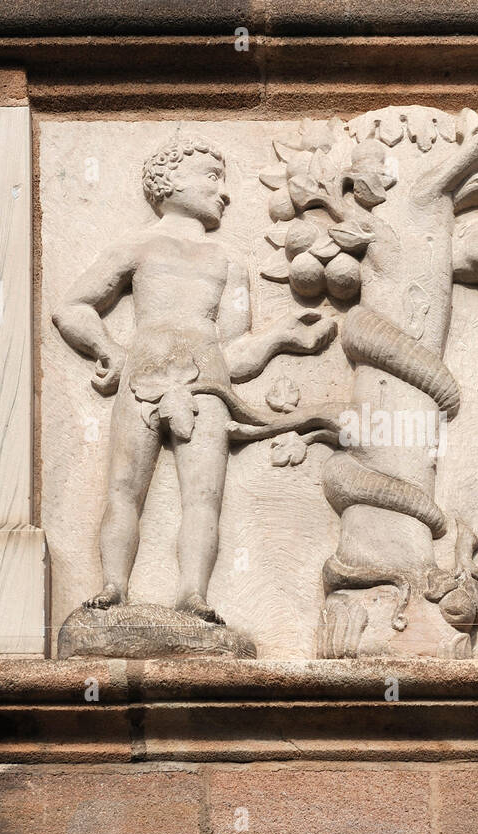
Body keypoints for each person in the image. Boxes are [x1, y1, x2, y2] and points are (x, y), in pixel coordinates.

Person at [52, 136, 335, 622]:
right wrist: (110, 351)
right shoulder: (137, 246)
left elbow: (234, 354)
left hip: (207, 387)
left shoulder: (229, 262)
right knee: (124, 490)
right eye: (211, 176)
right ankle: (114, 586)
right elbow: (72, 307)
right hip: (141, 379)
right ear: (169, 179)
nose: (223, 192)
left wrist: (283, 338)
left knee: (203, 498)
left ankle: (192, 595)